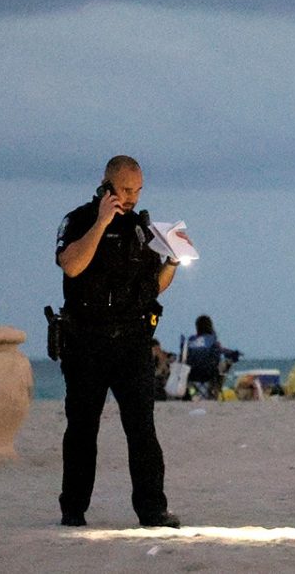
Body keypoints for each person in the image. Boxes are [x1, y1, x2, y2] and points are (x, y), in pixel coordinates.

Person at [55, 155, 184, 529]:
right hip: (86, 341)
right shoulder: (79, 220)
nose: (132, 198)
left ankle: (152, 510)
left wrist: (173, 262)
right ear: (108, 184)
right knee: (82, 427)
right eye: (126, 190)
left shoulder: (144, 230)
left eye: (137, 190)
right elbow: (72, 265)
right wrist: (102, 221)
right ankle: (73, 508)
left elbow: (152, 287)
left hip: (131, 341)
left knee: (142, 428)